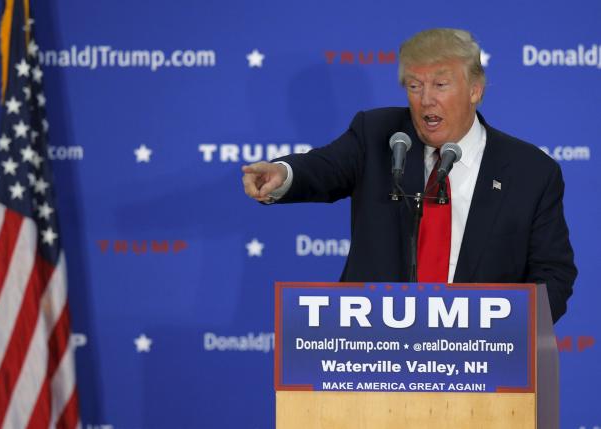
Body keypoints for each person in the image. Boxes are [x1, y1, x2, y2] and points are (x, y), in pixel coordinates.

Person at [241, 28, 576, 322]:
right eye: (415, 86)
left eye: (440, 84)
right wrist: (284, 175)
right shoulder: (377, 136)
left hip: (477, 365)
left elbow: (553, 275)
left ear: (475, 89)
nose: (426, 99)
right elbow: (322, 168)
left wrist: (510, 329)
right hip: (372, 355)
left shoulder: (530, 171)